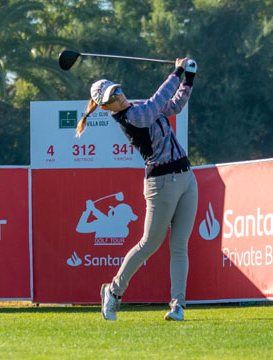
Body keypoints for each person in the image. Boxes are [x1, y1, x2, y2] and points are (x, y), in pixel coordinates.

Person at [76, 57, 197, 321]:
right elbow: (157, 102)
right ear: (106, 106)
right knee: (148, 245)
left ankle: (178, 306)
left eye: (117, 91)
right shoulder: (130, 117)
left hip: (187, 177)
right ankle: (114, 291)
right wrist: (177, 70)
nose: (118, 97)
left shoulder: (138, 106)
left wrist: (188, 78)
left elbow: (174, 105)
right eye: (111, 98)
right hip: (161, 183)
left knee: (179, 246)